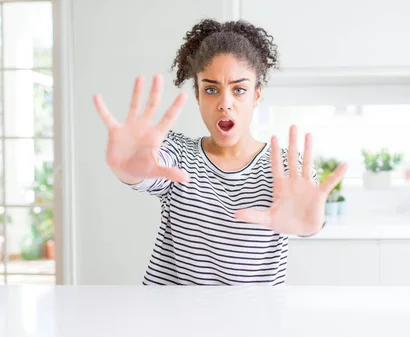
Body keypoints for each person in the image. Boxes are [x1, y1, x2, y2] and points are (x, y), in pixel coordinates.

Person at [93, 18, 347, 286]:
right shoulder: (177, 154)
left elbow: (306, 215)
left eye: (239, 89)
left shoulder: (284, 168)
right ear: (198, 95)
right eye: (211, 89)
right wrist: (129, 169)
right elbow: (148, 168)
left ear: (256, 95)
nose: (225, 104)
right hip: (174, 322)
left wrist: (310, 226)